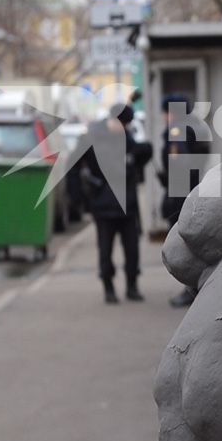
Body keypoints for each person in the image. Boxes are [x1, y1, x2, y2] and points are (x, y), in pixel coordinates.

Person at [75, 104, 152, 304]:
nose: (125, 127)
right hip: (104, 206)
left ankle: (132, 286)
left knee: (132, 249)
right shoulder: (94, 137)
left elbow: (141, 155)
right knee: (105, 249)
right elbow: (76, 165)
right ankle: (108, 287)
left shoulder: (126, 137)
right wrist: (85, 197)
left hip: (127, 205)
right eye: (123, 123)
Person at [156, 96, 210, 308]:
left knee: (183, 245)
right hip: (192, 189)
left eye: (165, 112)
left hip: (180, 194)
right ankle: (195, 288)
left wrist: (171, 184)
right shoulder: (196, 128)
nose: (164, 117)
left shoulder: (177, 131)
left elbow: (180, 161)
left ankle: (191, 289)